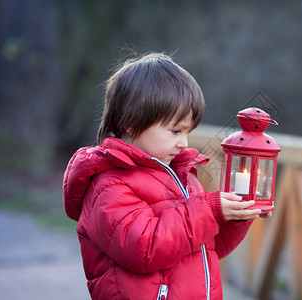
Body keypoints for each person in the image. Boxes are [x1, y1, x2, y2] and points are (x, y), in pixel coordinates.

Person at [62, 52, 271, 300]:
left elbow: (207, 247)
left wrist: (236, 215)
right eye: (175, 131)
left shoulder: (182, 177)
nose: (184, 143)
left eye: (187, 132)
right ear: (131, 123)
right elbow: (144, 248)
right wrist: (210, 210)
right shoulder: (109, 183)